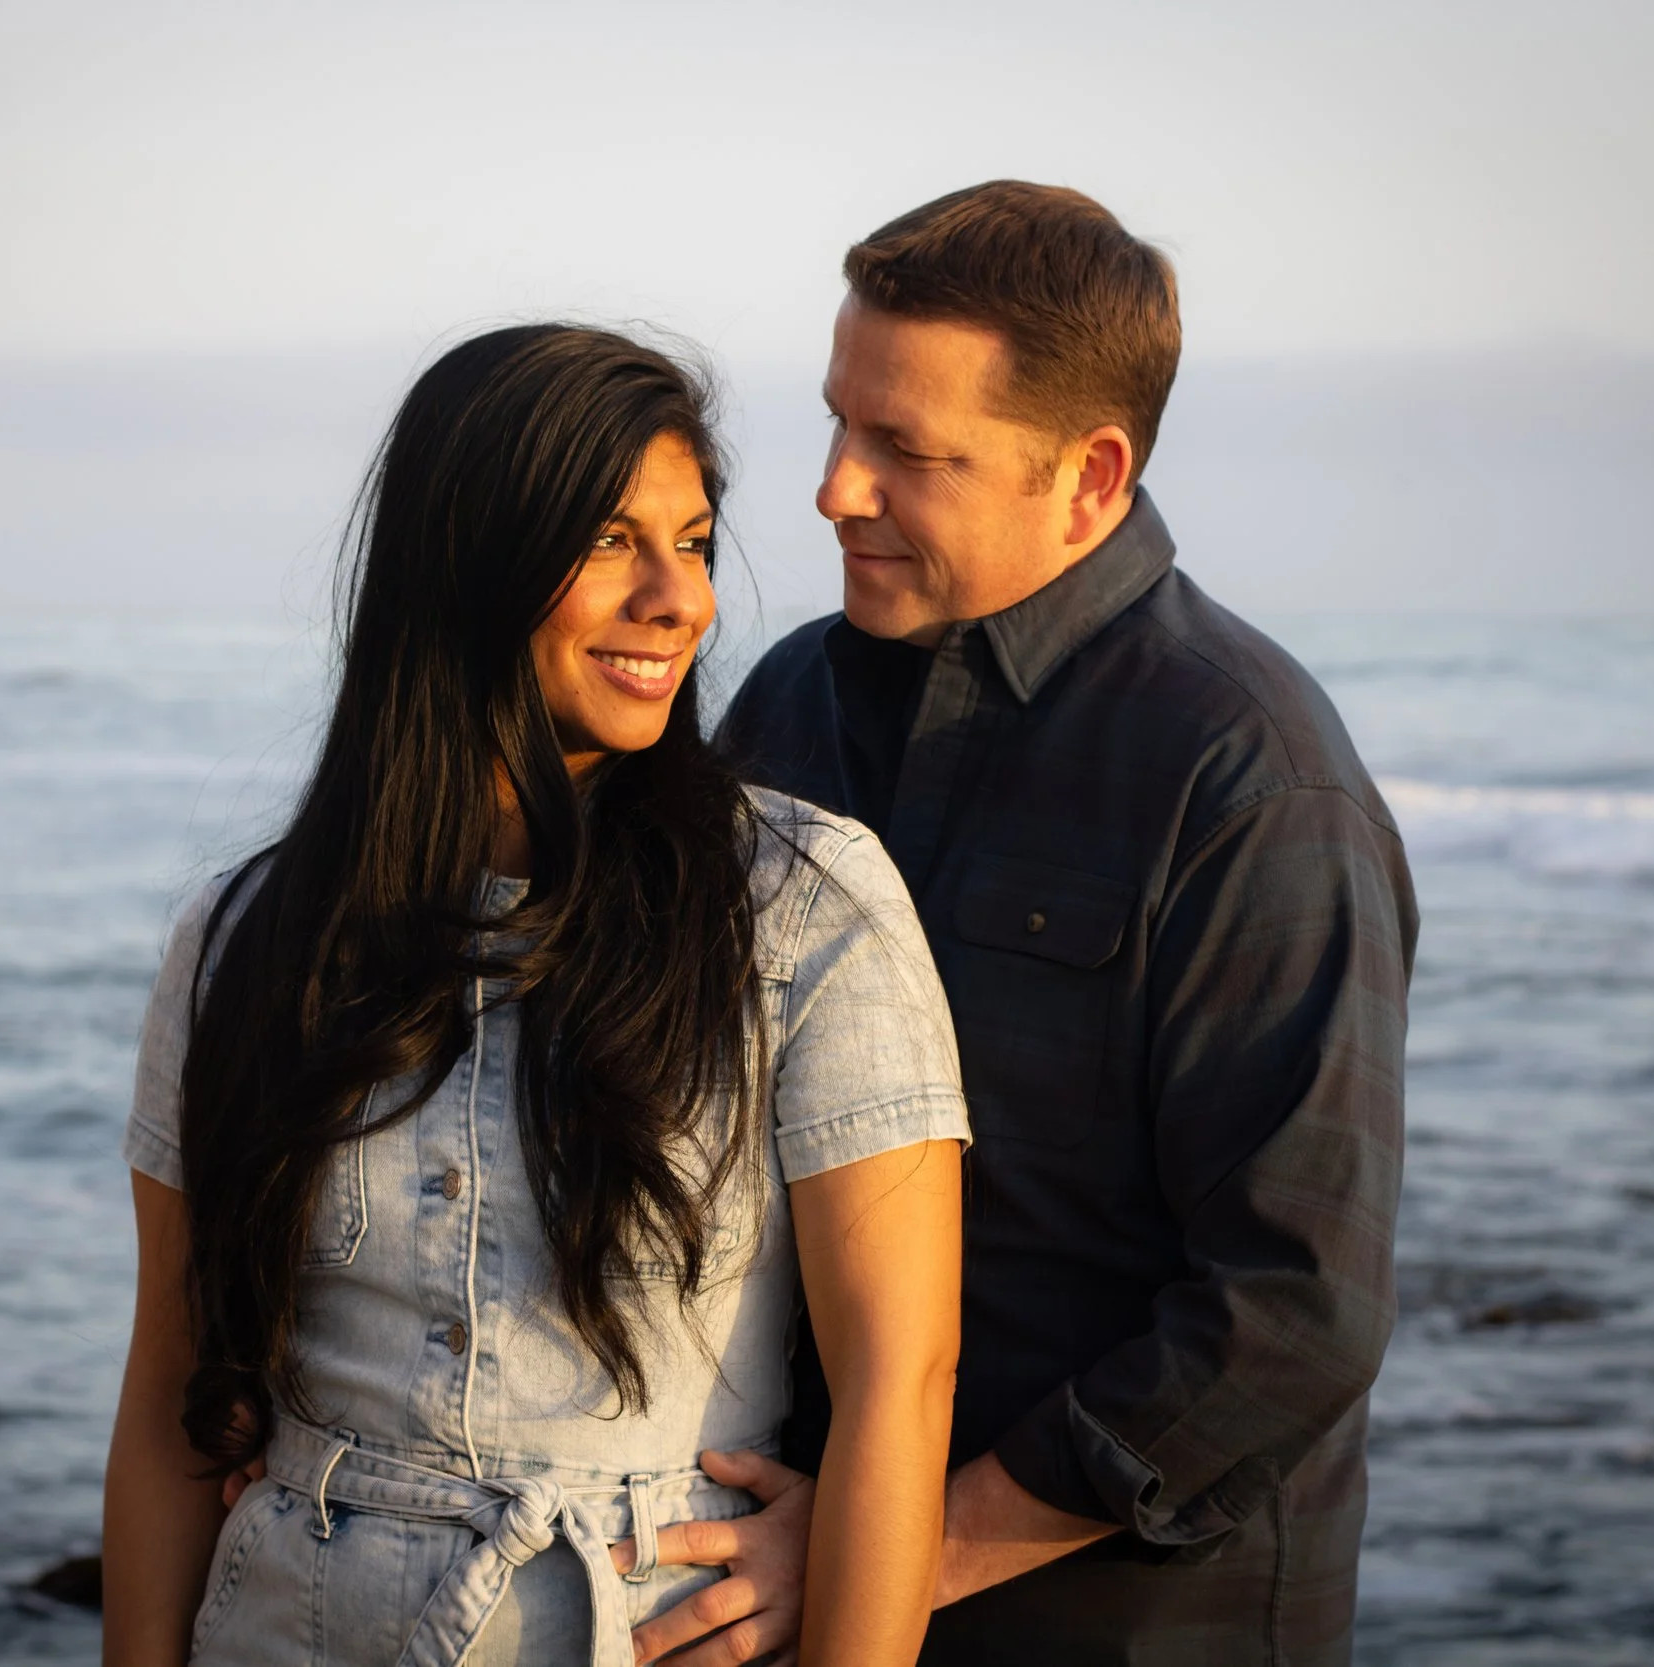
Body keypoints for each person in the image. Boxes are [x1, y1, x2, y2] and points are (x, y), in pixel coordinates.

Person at [99, 324, 972, 1667]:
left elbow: (899, 1396)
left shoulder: (803, 904)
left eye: (691, 542)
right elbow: (170, 1393)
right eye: (613, 539)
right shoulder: (248, 938)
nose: (679, 598)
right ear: (465, 563)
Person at [632, 183, 1418, 1665]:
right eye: (837, 422)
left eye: (909, 452)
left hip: (1119, 1628)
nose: (832, 492)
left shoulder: (1251, 782)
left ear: (1091, 473)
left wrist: (890, 1551)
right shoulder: (791, 702)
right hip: (779, 1583)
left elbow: (1294, 1312)